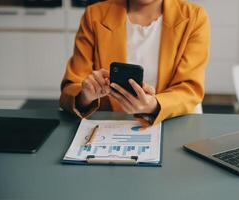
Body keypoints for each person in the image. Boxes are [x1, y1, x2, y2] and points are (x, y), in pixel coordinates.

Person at [60, 0, 210, 125]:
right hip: (107, 128)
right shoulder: (94, 15)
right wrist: (85, 96)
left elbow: (190, 89)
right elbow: (70, 89)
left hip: (173, 122)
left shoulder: (194, 17)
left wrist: (153, 106)